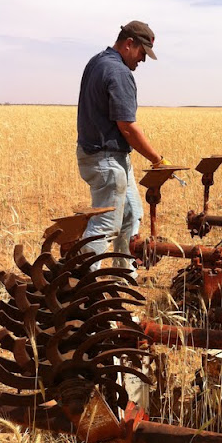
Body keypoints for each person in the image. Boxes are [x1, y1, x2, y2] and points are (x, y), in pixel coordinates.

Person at [76, 20, 163, 277]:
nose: (143, 60)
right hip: (106, 159)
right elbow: (127, 127)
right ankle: (82, 282)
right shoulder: (119, 72)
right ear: (128, 44)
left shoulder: (97, 62)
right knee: (105, 225)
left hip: (103, 156)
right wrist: (157, 159)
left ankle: (122, 277)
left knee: (131, 214)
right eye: (142, 53)